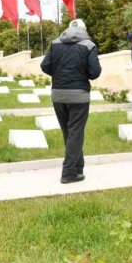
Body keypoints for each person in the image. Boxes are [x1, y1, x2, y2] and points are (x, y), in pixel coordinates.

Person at [40, 19, 102, 184]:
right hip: (79, 95)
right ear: (84, 29)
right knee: (76, 133)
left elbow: (45, 65)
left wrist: (59, 73)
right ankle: (68, 173)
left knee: (69, 134)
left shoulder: (55, 43)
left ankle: (78, 169)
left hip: (58, 94)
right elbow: (95, 72)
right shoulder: (89, 45)